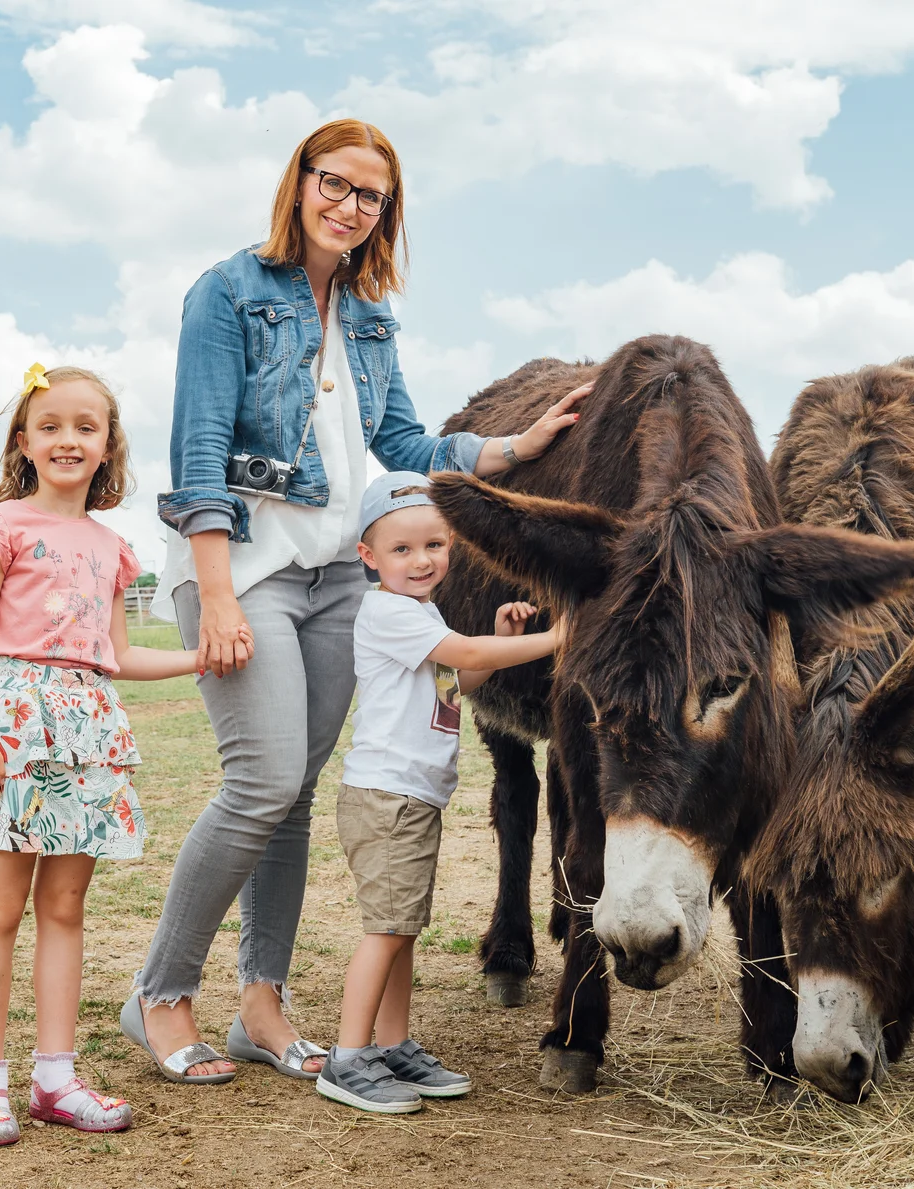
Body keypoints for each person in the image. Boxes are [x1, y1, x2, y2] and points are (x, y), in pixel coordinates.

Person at [126, 116, 592, 1085]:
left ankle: (261, 1003)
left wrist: (516, 448)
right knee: (259, 783)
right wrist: (214, 590)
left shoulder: (371, 316)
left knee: (294, 793)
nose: (348, 205)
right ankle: (160, 993)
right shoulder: (228, 293)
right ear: (298, 181)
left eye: (369, 195)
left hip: (338, 573)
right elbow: (198, 448)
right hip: (245, 568)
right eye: (332, 183)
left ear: (386, 211)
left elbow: (407, 444)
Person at [0, 364, 239, 1148]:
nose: (68, 439)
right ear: (24, 442)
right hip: (14, 726)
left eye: (85, 426)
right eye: (50, 426)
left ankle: (55, 1078)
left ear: (109, 445)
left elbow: (117, 655)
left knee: (66, 907)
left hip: (88, 730)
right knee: (0, 908)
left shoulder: (112, 548)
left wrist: (198, 657)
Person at [315, 473, 563, 1113]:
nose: (421, 560)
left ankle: (392, 1044)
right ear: (369, 556)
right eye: (401, 549)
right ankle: (348, 1058)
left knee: (402, 929)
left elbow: (457, 680)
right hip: (387, 799)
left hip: (412, 798)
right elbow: (464, 652)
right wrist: (559, 638)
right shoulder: (389, 612)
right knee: (385, 930)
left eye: (433, 545)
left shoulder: (421, 611)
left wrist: (503, 642)